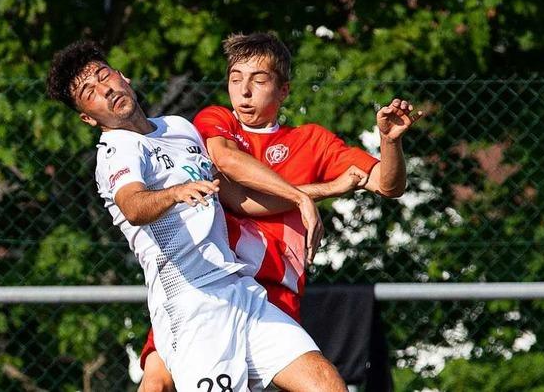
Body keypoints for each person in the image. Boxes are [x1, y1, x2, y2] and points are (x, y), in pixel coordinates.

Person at [46, 40, 349, 392]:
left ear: (122, 76)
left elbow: (238, 198)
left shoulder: (178, 128)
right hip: (193, 306)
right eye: (90, 92)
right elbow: (133, 205)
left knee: (327, 383)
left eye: (104, 76)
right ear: (88, 116)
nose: (105, 90)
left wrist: (308, 196)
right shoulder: (118, 152)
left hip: (238, 289)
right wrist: (174, 193)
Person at [139, 32, 423, 392]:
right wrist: (310, 195)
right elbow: (231, 173)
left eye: (258, 80)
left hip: (273, 297)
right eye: (235, 79)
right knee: (157, 379)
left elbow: (388, 184)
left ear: (284, 90)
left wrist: (390, 142)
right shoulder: (215, 122)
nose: (244, 92)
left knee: (328, 386)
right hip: (205, 288)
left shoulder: (311, 141)